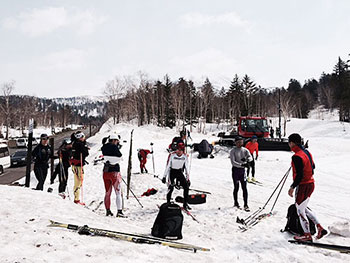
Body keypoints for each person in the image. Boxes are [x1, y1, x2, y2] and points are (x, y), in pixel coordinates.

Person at [287, 133, 327, 241]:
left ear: (293, 143)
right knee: (303, 208)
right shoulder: (306, 152)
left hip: (303, 185)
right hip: (311, 183)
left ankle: (307, 234)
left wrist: (292, 187)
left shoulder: (296, 156)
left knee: (300, 210)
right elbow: (313, 166)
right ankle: (319, 228)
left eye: (289, 143)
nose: (289, 145)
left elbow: (300, 175)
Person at [162, 142, 191, 210]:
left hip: (179, 171)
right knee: (171, 187)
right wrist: (164, 176)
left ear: (182, 150)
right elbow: (168, 166)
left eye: (180, 150)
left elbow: (186, 168)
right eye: (177, 149)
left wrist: (188, 179)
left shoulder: (185, 156)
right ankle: (168, 202)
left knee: (186, 187)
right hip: (172, 171)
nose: (178, 151)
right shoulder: (172, 155)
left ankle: (185, 204)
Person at [101, 134, 124, 217]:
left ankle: (108, 210)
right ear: (114, 140)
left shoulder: (104, 147)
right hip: (114, 172)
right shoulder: (114, 147)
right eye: (117, 141)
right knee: (118, 192)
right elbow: (120, 157)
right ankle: (119, 211)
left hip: (106, 172)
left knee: (107, 192)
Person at [229, 136, 253, 212]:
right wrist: (241, 165)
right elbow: (233, 162)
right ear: (235, 143)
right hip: (236, 170)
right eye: (238, 142)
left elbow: (250, 157)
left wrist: (247, 160)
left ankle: (246, 204)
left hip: (242, 171)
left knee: (244, 188)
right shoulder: (233, 151)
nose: (240, 143)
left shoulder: (245, 150)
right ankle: (236, 202)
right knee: (236, 187)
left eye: (241, 142)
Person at [70, 131, 89, 205]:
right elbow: (86, 153)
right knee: (78, 181)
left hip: (76, 164)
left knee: (78, 181)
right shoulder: (79, 144)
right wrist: (85, 147)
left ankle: (76, 198)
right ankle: (76, 199)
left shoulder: (74, 143)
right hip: (78, 164)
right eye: (83, 137)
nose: (84, 138)